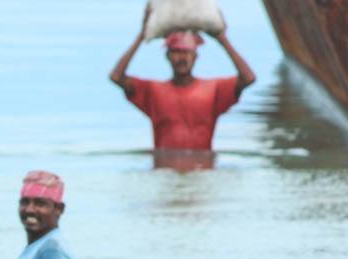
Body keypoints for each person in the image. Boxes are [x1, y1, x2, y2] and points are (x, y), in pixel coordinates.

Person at [109, 5, 256, 152]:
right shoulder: (153, 91)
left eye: (187, 52)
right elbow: (116, 77)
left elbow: (248, 78)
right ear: (167, 56)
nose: (182, 58)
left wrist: (222, 39)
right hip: (164, 171)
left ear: (195, 56)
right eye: (176, 52)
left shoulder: (213, 90)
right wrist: (141, 36)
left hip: (202, 170)